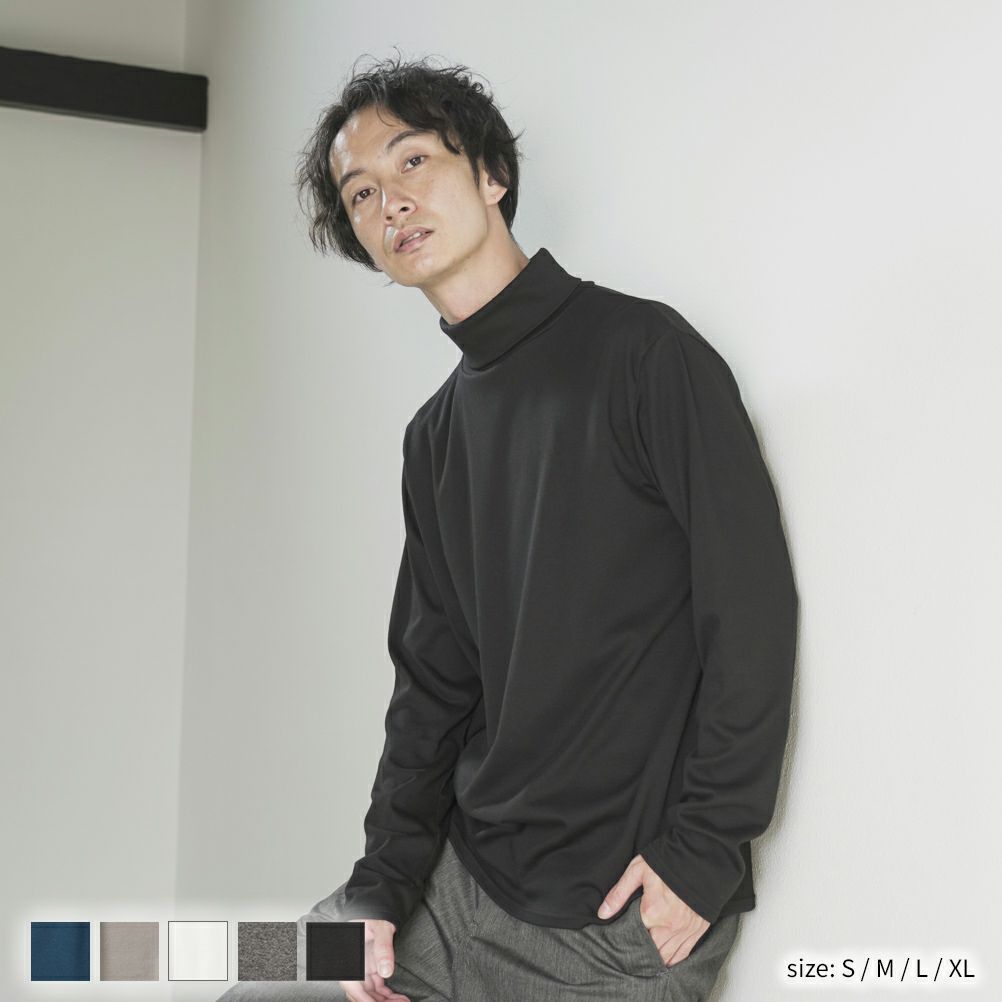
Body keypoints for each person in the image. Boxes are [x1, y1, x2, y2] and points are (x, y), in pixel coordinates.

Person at [219, 50, 798, 1002]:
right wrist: (380, 889)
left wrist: (702, 854)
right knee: (255, 986)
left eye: (413, 162)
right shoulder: (434, 438)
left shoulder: (646, 354)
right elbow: (432, 688)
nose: (391, 203)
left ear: (491, 175)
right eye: (361, 195)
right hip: (457, 885)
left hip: (613, 921)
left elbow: (752, 609)